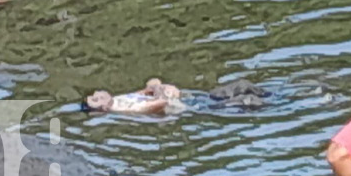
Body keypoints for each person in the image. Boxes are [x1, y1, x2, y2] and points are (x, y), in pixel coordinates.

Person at [85, 78, 268, 114]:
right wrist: (161, 90)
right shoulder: (128, 109)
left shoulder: (120, 99)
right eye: (95, 98)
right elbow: (160, 103)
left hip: (194, 97)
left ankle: (274, 96)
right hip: (195, 107)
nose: (96, 93)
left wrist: (156, 85)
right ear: (102, 107)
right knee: (248, 101)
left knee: (242, 85)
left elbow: (150, 85)